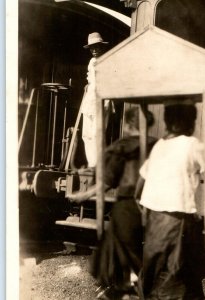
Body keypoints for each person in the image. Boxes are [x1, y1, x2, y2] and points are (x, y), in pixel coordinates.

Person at [135, 98, 205, 300]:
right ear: (189, 122)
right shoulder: (192, 145)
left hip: (154, 224)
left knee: (159, 278)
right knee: (179, 281)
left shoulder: (160, 146)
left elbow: (139, 188)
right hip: (177, 223)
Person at [69, 107, 157, 299]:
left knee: (121, 253)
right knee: (137, 253)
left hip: (127, 207)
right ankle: (127, 291)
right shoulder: (157, 145)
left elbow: (107, 182)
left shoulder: (122, 146)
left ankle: (127, 292)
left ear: (127, 124)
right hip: (154, 206)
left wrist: (83, 196)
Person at [81, 32, 109, 168]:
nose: (94, 50)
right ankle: (92, 163)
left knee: (97, 133)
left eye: (97, 47)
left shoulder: (108, 60)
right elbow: (90, 78)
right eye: (92, 48)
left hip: (102, 99)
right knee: (86, 134)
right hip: (89, 101)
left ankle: (98, 165)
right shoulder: (91, 62)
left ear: (101, 47)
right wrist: (88, 84)